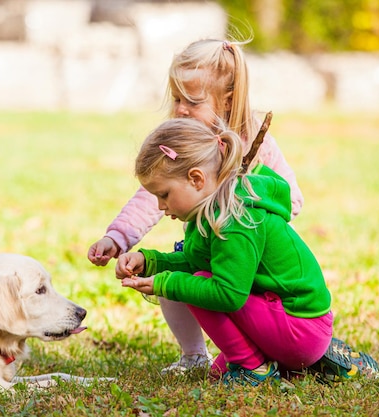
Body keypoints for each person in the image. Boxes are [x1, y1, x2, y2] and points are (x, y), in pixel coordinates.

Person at [88, 37, 304, 374]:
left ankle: (255, 353)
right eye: (176, 99)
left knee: (222, 287)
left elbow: (292, 198)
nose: (181, 109)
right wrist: (117, 238)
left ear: (228, 101)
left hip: (250, 256)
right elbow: (149, 197)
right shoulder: (178, 144)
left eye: (193, 100)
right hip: (207, 245)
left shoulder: (254, 142)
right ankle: (194, 355)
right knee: (175, 275)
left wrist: (244, 201)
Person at [116, 117, 333, 385]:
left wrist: (168, 284)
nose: (161, 206)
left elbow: (227, 294)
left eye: (164, 195)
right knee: (217, 371)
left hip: (301, 328)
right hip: (285, 320)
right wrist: (150, 262)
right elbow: (196, 261)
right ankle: (278, 364)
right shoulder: (210, 210)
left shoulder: (236, 220)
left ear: (196, 178)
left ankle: (253, 369)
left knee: (199, 286)